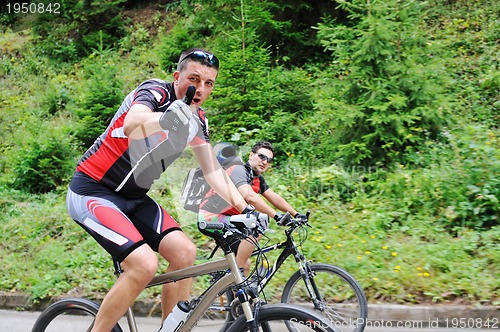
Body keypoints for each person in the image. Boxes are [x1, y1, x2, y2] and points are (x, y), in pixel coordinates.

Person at [66, 48, 258, 332]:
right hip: (92, 191)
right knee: (144, 265)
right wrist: (165, 119)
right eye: (194, 78)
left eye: (209, 83)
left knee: (185, 253)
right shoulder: (155, 92)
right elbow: (133, 123)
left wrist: (247, 210)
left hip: (134, 199)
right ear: (177, 76)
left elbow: (213, 171)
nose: (201, 88)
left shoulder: (197, 120)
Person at [198, 141, 307, 275]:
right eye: (262, 157)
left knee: (246, 264)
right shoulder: (238, 170)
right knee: (259, 221)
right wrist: (277, 216)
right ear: (251, 155)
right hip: (210, 218)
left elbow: (274, 197)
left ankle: (231, 282)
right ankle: (234, 273)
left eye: (269, 160)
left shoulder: (258, 180)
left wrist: (296, 214)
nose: (265, 162)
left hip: (230, 220)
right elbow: (250, 197)